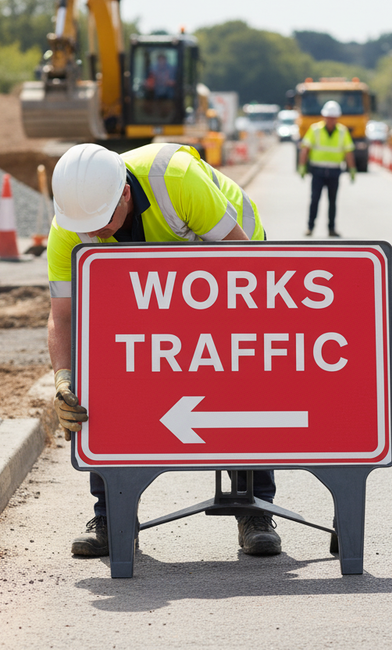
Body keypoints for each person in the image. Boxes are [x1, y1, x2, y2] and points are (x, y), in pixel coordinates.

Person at [46, 142, 282, 559]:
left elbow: (245, 266)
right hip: (146, 281)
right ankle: (110, 516)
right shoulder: (71, 224)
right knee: (101, 371)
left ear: (124, 193)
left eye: (106, 221)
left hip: (225, 259)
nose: (99, 233)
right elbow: (63, 316)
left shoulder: (176, 181)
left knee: (236, 372)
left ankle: (253, 506)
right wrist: (64, 379)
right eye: (89, 227)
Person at [297, 100, 355, 237]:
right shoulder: (315, 129)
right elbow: (305, 149)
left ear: (337, 118)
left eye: (333, 118)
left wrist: (352, 169)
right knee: (314, 199)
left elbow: (348, 152)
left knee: (332, 202)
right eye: (329, 117)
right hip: (318, 170)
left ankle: (331, 229)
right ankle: (310, 227)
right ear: (324, 117)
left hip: (335, 171)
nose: (331, 120)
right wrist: (302, 166)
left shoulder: (342, 131)